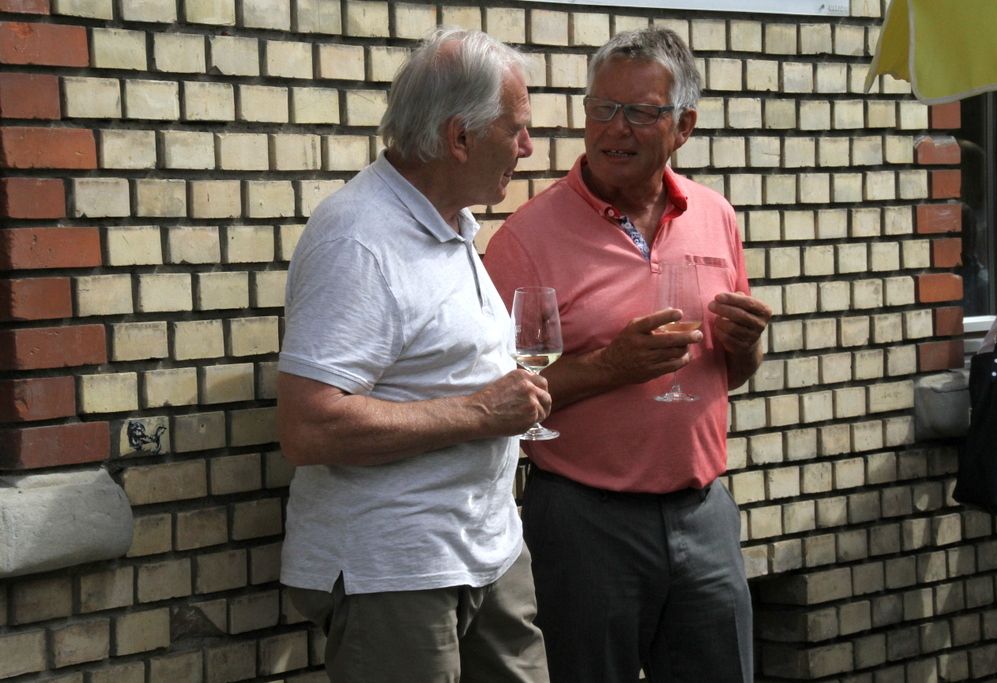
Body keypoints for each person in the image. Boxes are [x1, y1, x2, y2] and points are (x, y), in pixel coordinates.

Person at [485, 27, 771, 683]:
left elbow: (731, 374)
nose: (615, 128)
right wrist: (612, 367)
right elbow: (496, 397)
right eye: (602, 108)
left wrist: (746, 345)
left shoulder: (715, 215)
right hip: (585, 522)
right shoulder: (527, 238)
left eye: (640, 112)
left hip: (703, 513)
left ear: (683, 126)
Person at [276, 28, 550, 683]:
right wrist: (482, 412)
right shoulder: (358, 240)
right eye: (516, 129)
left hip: (487, 551)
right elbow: (308, 426)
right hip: (396, 573)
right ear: (460, 138)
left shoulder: (448, 223)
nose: (528, 147)